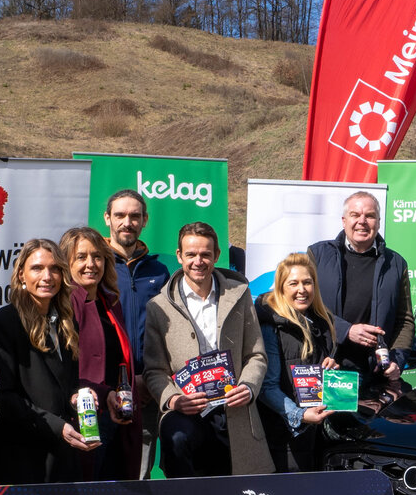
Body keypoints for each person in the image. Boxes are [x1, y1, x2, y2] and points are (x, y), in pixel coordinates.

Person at [144, 221, 272, 477]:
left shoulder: (240, 294)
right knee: (181, 456)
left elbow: (256, 354)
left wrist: (248, 387)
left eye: (205, 254)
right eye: (191, 254)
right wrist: (173, 399)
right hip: (187, 409)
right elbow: (154, 370)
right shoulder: (158, 306)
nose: (198, 261)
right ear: (179, 256)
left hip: (232, 410)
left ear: (216, 256)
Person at [0, 239, 96, 484]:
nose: (47, 276)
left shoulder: (66, 323)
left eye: (54, 268)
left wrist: (78, 396)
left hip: (63, 455)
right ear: (21, 274)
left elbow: (66, 384)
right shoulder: (3, 323)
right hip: (21, 460)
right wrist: (57, 426)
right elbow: (4, 397)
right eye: (37, 268)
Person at [61, 226, 143, 481]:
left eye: (97, 256)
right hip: (82, 419)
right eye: (81, 257)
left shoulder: (109, 301)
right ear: (67, 262)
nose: (91, 264)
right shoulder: (64, 304)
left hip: (116, 415)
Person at [307, 190, 415, 378]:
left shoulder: (396, 264)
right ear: (344, 221)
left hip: (374, 374)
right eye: (355, 215)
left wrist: (396, 360)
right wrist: (346, 330)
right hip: (326, 367)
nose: (362, 221)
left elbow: (404, 320)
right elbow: (304, 308)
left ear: (379, 222)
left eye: (370, 216)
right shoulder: (317, 255)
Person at [255, 253, 338, 473]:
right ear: (281, 288)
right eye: (293, 283)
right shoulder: (270, 325)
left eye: (307, 282)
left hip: (318, 435)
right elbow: (267, 388)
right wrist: (300, 416)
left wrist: (331, 370)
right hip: (283, 438)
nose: (301, 289)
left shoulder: (322, 320)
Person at [104, 190, 171, 462]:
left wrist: (148, 379)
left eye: (134, 216)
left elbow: (168, 332)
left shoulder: (160, 272)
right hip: (105, 388)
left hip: (147, 390)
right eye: (119, 215)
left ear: (145, 220)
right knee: (101, 474)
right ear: (107, 218)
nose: (126, 222)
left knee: (139, 475)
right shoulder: (95, 266)